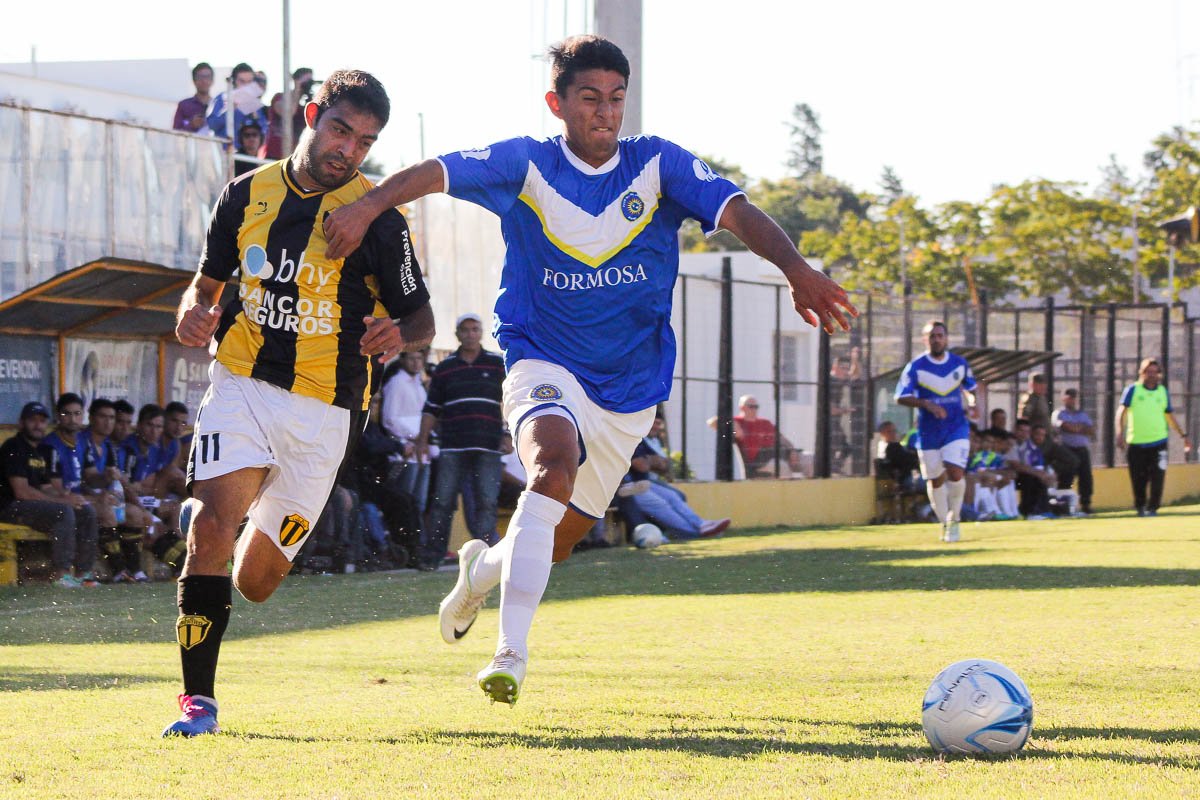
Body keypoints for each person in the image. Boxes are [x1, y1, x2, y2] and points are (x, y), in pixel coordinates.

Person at [322, 35, 855, 705]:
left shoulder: (658, 163)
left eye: (616, 99)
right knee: (551, 466)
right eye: (589, 99)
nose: (605, 113)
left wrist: (797, 269)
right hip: (542, 357)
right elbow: (435, 171)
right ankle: (510, 653)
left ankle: (481, 572)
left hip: (629, 388)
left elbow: (738, 212)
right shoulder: (526, 163)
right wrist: (368, 204)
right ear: (558, 103)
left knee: (557, 539)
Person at [163, 69, 433, 737]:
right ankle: (198, 704)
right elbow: (205, 287)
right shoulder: (245, 193)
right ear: (311, 116)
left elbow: (422, 319)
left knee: (256, 581)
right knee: (211, 532)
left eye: (364, 142)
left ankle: (234, 518)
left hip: (326, 413)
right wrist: (193, 314)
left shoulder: (378, 218)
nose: (348, 150)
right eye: (340, 130)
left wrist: (397, 333)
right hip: (243, 385)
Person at [415, 313, 507, 570]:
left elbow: (510, 402)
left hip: (488, 445)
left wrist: (509, 434)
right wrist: (422, 441)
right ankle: (433, 556)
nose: (470, 334)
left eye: (474, 329)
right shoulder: (445, 367)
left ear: (481, 333)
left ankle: (486, 557)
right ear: (457, 334)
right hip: (453, 445)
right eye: (464, 330)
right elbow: (431, 408)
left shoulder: (497, 364)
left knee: (487, 501)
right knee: (442, 502)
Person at [894, 320, 978, 543]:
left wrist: (972, 402)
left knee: (955, 471)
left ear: (946, 338)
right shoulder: (916, 367)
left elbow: (971, 388)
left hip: (956, 427)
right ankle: (944, 523)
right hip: (929, 431)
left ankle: (955, 518)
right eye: (932, 336)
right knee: (935, 480)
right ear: (925, 339)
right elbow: (900, 396)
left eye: (940, 335)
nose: (937, 339)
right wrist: (926, 404)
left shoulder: (959, 363)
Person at [0, 402, 99, 587]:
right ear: (21, 423)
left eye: (42, 421)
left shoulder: (37, 452)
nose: (38, 425)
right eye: (32, 420)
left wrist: (68, 497)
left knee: (86, 511)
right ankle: (61, 575)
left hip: (29, 506)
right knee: (62, 512)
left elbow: (46, 487)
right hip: (9, 507)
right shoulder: (14, 447)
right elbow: (21, 491)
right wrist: (62, 502)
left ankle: (83, 575)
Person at [80, 398, 152, 582]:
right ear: (91, 418)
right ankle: (119, 571)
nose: (108, 422)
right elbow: (86, 478)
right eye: (103, 417)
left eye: (111, 417)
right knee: (107, 510)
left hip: (102, 498)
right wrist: (104, 482)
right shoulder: (82, 441)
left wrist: (141, 507)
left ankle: (135, 570)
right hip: (81, 497)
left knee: (135, 514)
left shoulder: (108, 446)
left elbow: (118, 479)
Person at [1116, 357, 1192, 517]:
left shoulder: (1162, 391)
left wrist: (1183, 435)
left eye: (1154, 372)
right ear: (1141, 373)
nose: (1151, 375)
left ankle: (1153, 508)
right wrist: (1119, 433)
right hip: (1136, 443)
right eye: (1148, 372)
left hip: (1159, 443)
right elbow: (1121, 412)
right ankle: (1140, 507)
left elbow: (1169, 415)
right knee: (1139, 479)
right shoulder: (1133, 390)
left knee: (1158, 477)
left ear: (1159, 374)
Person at [380, 350, 432, 520]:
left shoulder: (419, 384)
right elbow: (389, 419)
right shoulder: (396, 383)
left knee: (419, 504)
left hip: (422, 452)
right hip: (405, 451)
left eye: (419, 358)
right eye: (411, 358)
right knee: (404, 503)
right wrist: (414, 436)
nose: (416, 363)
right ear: (402, 360)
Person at [1051, 388, 1094, 515]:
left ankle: (1086, 504)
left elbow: (1091, 430)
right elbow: (1065, 426)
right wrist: (1080, 427)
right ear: (1063, 398)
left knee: (1086, 477)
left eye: (1074, 397)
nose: (1072, 400)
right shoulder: (1059, 413)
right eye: (1069, 397)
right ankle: (1062, 504)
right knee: (1066, 477)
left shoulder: (1082, 414)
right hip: (1067, 450)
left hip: (1082, 449)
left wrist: (1075, 427)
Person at [733, 394, 796, 477]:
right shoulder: (737, 422)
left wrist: (792, 450)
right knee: (781, 466)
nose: (754, 409)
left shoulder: (765, 422)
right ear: (742, 408)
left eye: (756, 406)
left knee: (809, 460)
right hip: (759, 463)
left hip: (781, 454)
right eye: (751, 406)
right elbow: (716, 422)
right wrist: (732, 423)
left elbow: (782, 439)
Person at [206, 62, 269, 143]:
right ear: (234, 82)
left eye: (249, 82)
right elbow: (212, 125)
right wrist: (229, 110)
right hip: (226, 149)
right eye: (242, 81)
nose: (246, 86)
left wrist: (255, 117)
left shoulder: (257, 104)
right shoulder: (222, 98)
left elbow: (264, 131)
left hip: (248, 150)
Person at [1007, 419, 1055, 518]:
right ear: (1015, 430)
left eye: (1026, 432)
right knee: (1031, 479)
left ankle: (1043, 510)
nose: (1024, 435)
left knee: (1038, 479)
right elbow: (1016, 465)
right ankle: (1028, 511)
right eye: (1021, 431)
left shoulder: (1030, 447)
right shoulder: (1011, 445)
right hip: (1010, 475)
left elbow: (1033, 466)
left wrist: (1045, 474)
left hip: (1023, 475)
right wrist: (1038, 473)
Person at [264, 67, 314, 159]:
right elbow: (289, 113)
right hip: (273, 154)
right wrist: (297, 89)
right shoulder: (279, 98)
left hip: (290, 157)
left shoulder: (303, 108)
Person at [173, 62, 214, 135]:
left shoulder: (217, 106)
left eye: (207, 77)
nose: (204, 81)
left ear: (212, 80)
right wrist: (191, 124)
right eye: (200, 77)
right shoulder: (184, 105)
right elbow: (175, 132)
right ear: (194, 80)